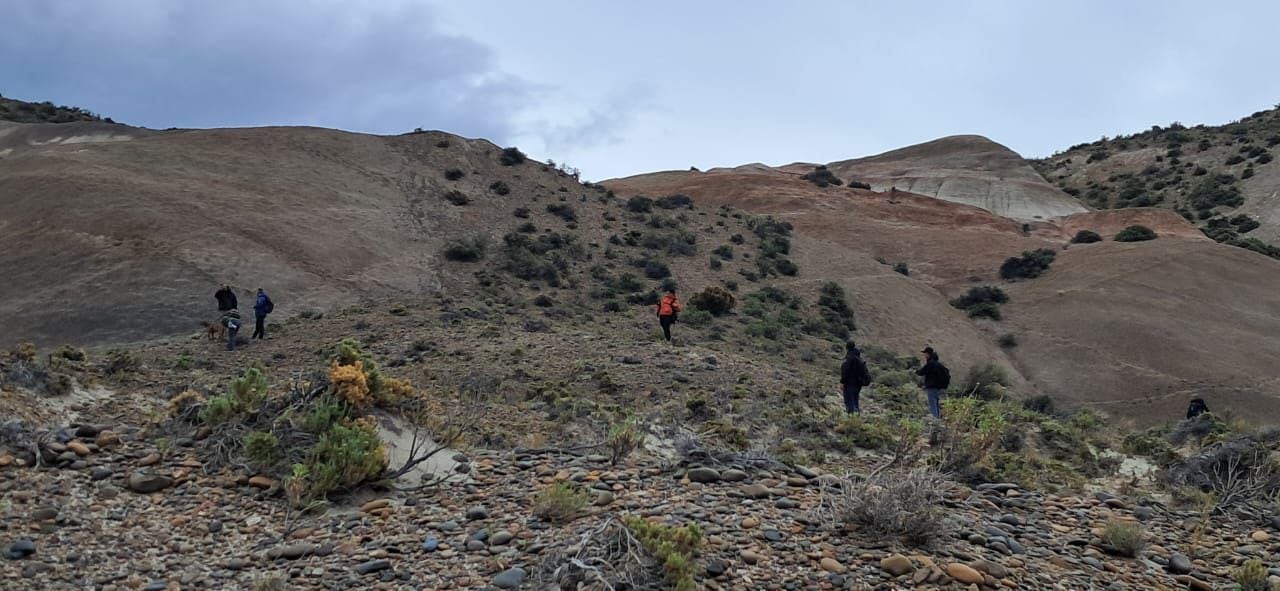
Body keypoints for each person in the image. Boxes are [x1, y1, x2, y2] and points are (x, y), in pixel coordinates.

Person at [915, 346, 950, 419]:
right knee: (936, 403)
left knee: (932, 404)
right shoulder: (937, 364)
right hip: (939, 387)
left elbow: (921, 372)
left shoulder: (931, 364)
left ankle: (935, 420)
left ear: (928, 354)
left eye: (925, 353)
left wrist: (915, 371)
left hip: (932, 386)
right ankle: (938, 418)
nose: (924, 355)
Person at [839, 341, 871, 414]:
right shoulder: (859, 358)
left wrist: (842, 382)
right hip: (858, 384)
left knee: (849, 402)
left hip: (849, 384)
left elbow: (846, 371)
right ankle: (856, 417)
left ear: (847, 348)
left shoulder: (850, 358)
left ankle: (851, 420)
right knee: (855, 401)